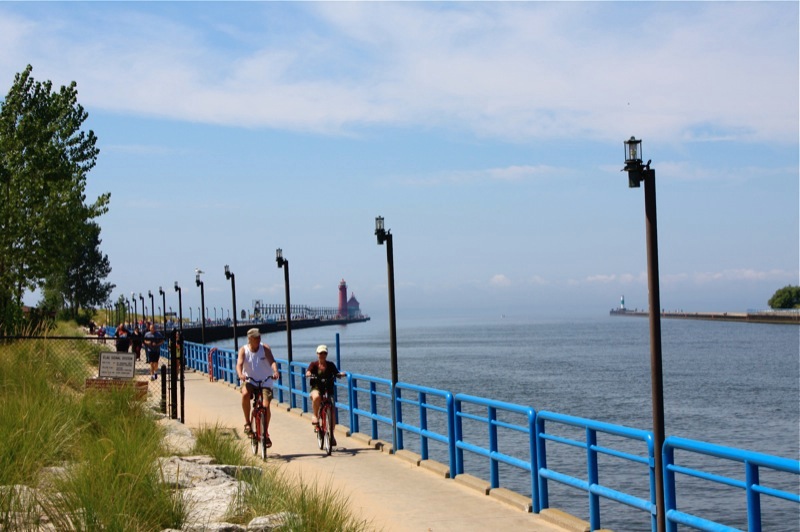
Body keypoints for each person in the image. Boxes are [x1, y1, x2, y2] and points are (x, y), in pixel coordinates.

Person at [236, 328, 279, 446]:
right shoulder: (243, 350)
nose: (259, 339)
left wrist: (275, 371)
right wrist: (240, 375)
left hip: (265, 381)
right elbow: (239, 364)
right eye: (256, 337)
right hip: (250, 380)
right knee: (245, 394)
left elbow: (272, 362)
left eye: (259, 337)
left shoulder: (265, 348)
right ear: (250, 339)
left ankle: (265, 433)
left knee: (266, 406)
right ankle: (247, 423)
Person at [305, 344, 345, 446]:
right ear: (317, 354)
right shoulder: (314, 364)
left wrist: (340, 374)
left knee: (332, 412)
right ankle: (315, 415)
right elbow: (308, 371)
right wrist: (308, 374)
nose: (322, 355)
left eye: (324, 353)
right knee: (317, 397)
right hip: (317, 388)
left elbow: (336, 372)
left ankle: (331, 435)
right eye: (320, 353)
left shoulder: (330, 365)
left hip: (328, 389)